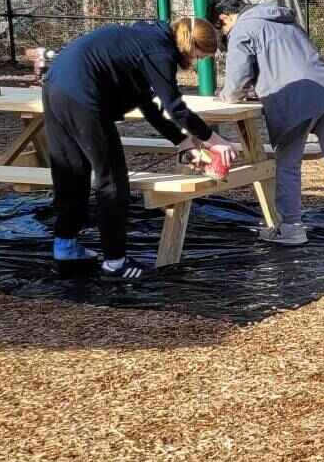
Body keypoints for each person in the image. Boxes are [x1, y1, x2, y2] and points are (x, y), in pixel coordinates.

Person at [42, 18, 237, 280]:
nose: (199, 62)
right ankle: (115, 262)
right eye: (200, 56)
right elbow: (175, 107)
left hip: (55, 85)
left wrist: (183, 142)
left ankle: (65, 247)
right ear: (191, 47)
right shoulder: (160, 52)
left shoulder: (145, 39)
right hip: (84, 95)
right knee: (111, 180)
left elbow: (148, 104)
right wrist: (214, 140)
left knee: (71, 171)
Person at [211, 0, 324, 250]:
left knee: (288, 166)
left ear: (223, 18)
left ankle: (291, 228)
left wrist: (226, 95)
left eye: (223, 31)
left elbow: (236, 83)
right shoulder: (283, 19)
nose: (226, 35)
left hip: (292, 101)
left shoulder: (242, 29)